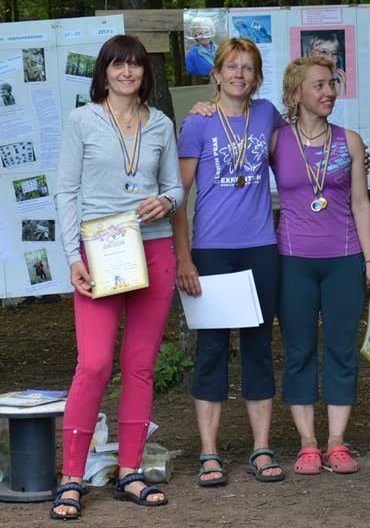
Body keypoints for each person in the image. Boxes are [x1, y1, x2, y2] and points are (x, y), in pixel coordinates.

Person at [52, 34, 183, 518]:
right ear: (104, 72)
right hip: (101, 249)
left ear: (145, 73)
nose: (127, 73)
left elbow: (174, 188)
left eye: (135, 66)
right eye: (118, 65)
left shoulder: (161, 125)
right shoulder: (82, 121)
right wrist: (73, 257)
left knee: (142, 362)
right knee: (94, 363)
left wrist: (166, 201)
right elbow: (66, 193)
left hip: (153, 250)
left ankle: (129, 470)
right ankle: (71, 476)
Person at [173, 37, 286, 487]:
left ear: (257, 77)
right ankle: (209, 452)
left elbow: (296, 157)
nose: (239, 74)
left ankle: (261, 448)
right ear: (216, 74)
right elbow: (176, 197)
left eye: (248, 68)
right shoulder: (197, 124)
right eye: (231, 66)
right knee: (212, 350)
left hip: (261, 246)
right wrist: (184, 257)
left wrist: (351, 157)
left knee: (259, 347)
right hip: (213, 249)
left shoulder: (267, 115)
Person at [269, 55, 370, 475]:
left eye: (332, 85)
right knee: (299, 350)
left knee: (341, 350)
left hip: (343, 260)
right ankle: (307, 442)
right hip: (292, 261)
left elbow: (360, 204)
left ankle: (337, 442)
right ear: (296, 93)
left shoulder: (350, 141)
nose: (328, 92)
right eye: (318, 85)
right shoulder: (275, 140)